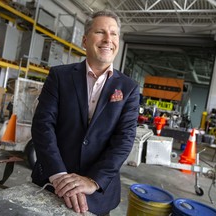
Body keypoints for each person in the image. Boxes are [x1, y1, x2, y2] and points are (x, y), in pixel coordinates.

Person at [31, 10, 140, 216]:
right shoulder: (59, 76)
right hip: (52, 183)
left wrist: (93, 181)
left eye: (114, 34)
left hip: (97, 192)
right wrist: (59, 176)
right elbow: (43, 125)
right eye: (100, 32)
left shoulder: (129, 88)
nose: (108, 39)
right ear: (84, 40)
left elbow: (124, 139)